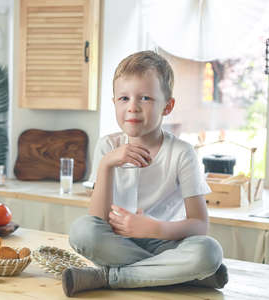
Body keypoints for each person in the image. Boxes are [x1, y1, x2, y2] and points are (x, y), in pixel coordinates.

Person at [62, 50, 228, 297]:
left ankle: (111, 277)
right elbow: (97, 220)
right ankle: (181, 275)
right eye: (124, 98)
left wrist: (153, 229)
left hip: (168, 243)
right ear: (114, 103)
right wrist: (107, 164)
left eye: (145, 98)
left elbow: (200, 225)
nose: (133, 108)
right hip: (117, 243)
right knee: (81, 231)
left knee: (208, 251)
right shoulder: (107, 147)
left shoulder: (182, 153)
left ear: (167, 106)